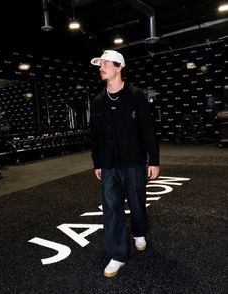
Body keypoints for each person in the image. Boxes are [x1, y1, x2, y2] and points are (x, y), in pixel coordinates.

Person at [90, 50, 160, 278]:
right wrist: (98, 162)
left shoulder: (136, 95)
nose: (101, 68)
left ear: (119, 67)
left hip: (134, 162)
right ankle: (117, 255)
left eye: (106, 64)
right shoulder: (99, 101)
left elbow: (147, 129)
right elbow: (96, 135)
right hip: (109, 165)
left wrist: (154, 160)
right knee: (111, 210)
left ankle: (139, 231)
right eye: (100, 65)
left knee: (137, 202)